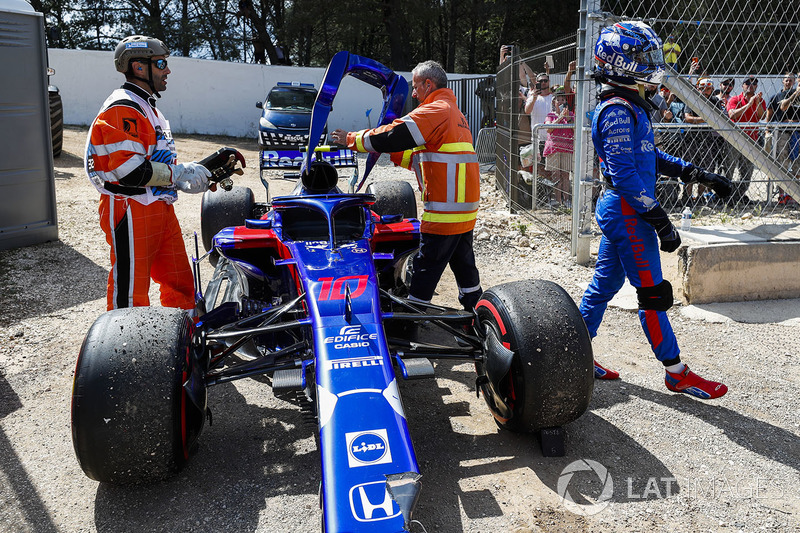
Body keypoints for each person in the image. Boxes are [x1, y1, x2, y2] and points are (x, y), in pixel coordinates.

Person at [582, 21, 732, 399]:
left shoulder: (627, 105)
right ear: (620, 63)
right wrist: (662, 222)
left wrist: (697, 173)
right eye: (643, 57)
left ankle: (574, 354)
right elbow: (625, 173)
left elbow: (648, 156)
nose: (651, 64)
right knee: (653, 294)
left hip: (625, 211)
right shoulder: (616, 109)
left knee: (604, 286)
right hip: (629, 213)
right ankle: (676, 372)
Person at [330, 61, 482, 311]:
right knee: (465, 269)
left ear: (428, 84)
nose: (413, 93)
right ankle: (477, 315)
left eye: (415, 86)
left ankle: (413, 324)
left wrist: (352, 139)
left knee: (425, 270)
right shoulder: (455, 114)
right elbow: (430, 158)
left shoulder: (434, 111)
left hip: (444, 214)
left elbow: (393, 135)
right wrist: (395, 156)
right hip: (464, 212)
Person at [85, 35, 212, 311]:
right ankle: (121, 350)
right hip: (131, 207)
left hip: (158, 205)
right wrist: (177, 175)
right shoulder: (123, 108)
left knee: (180, 284)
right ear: (139, 68)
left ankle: (182, 345)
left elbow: (155, 160)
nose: (168, 71)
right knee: (131, 294)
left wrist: (181, 177)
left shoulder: (147, 106)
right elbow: (128, 172)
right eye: (161, 64)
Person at [726, 75, 766, 203]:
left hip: (751, 141)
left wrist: (757, 103)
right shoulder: (735, 99)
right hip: (734, 139)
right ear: (742, 86)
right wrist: (749, 104)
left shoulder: (760, 100)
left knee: (747, 172)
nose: (751, 85)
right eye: (747, 83)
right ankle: (725, 195)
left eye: (754, 83)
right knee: (729, 169)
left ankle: (737, 195)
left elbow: (761, 116)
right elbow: (732, 114)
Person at [766, 71, 800, 202]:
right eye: (788, 80)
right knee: (782, 162)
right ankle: (782, 194)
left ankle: (793, 193)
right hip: (783, 133)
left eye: (791, 80)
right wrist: (796, 93)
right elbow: (782, 106)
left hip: (797, 133)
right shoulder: (786, 94)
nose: (789, 82)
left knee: (797, 164)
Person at [543, 86, 574, 206]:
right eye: (558, 100)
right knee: (556, 175)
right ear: (554, 102)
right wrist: (560, 118)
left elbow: (574, 130)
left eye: (563, 100)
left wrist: (568, 119)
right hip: (554, 149)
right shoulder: (550, 115)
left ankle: (566, 200)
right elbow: (549, 129)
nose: (561, 102)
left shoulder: (570, 114)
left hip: (566, 148)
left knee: (566, 175)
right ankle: (558, 200)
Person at [524, 71, 554, 188]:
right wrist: (534, 97)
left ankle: (551, 193)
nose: (543, 83)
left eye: (545, 81)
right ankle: (541, 194)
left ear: (549, 82)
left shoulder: (553, 98)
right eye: (540, 81)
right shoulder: (532, 97)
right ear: (537, 83)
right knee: (540, 168)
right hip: (538, 139)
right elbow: (527, 111)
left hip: (552, 139)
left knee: (552, 168)